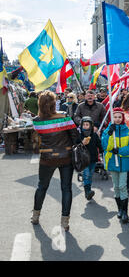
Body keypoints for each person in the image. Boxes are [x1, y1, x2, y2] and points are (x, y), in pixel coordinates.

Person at [31, 91, 81, 231]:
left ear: (39, 104)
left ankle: (35, 215)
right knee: (66, 189)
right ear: (54, 104)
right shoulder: (63, 117)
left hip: (47, 158)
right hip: (66, 156)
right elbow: (75, 136)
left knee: (42, 186)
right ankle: (65, 221)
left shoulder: (37, 121)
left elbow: (36, 140)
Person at [102, 108, 129, 224]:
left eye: (119, 117)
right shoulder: (108, 131)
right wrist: (109, 134)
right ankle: (120, 210)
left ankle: (125, 212)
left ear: (123, 118)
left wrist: (120, 151)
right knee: (116, 187)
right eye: (115, 117)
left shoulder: (128, 132)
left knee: (122, 186)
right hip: (112, 162)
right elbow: (104, 145)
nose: (117, 119)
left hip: (124, 163)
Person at [79, 116, 103, 201]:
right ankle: (87, 192)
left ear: (91, 126)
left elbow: (99, 145)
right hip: (84, 159)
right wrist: (82, 143)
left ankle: (88, 190)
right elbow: (75, 146)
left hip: (93, 158)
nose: (85, 126)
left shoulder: (94, 135)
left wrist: (102, 150)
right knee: (86, 174)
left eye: (87, 125)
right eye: (84, 125)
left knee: (90, 175)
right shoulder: (80, 136)